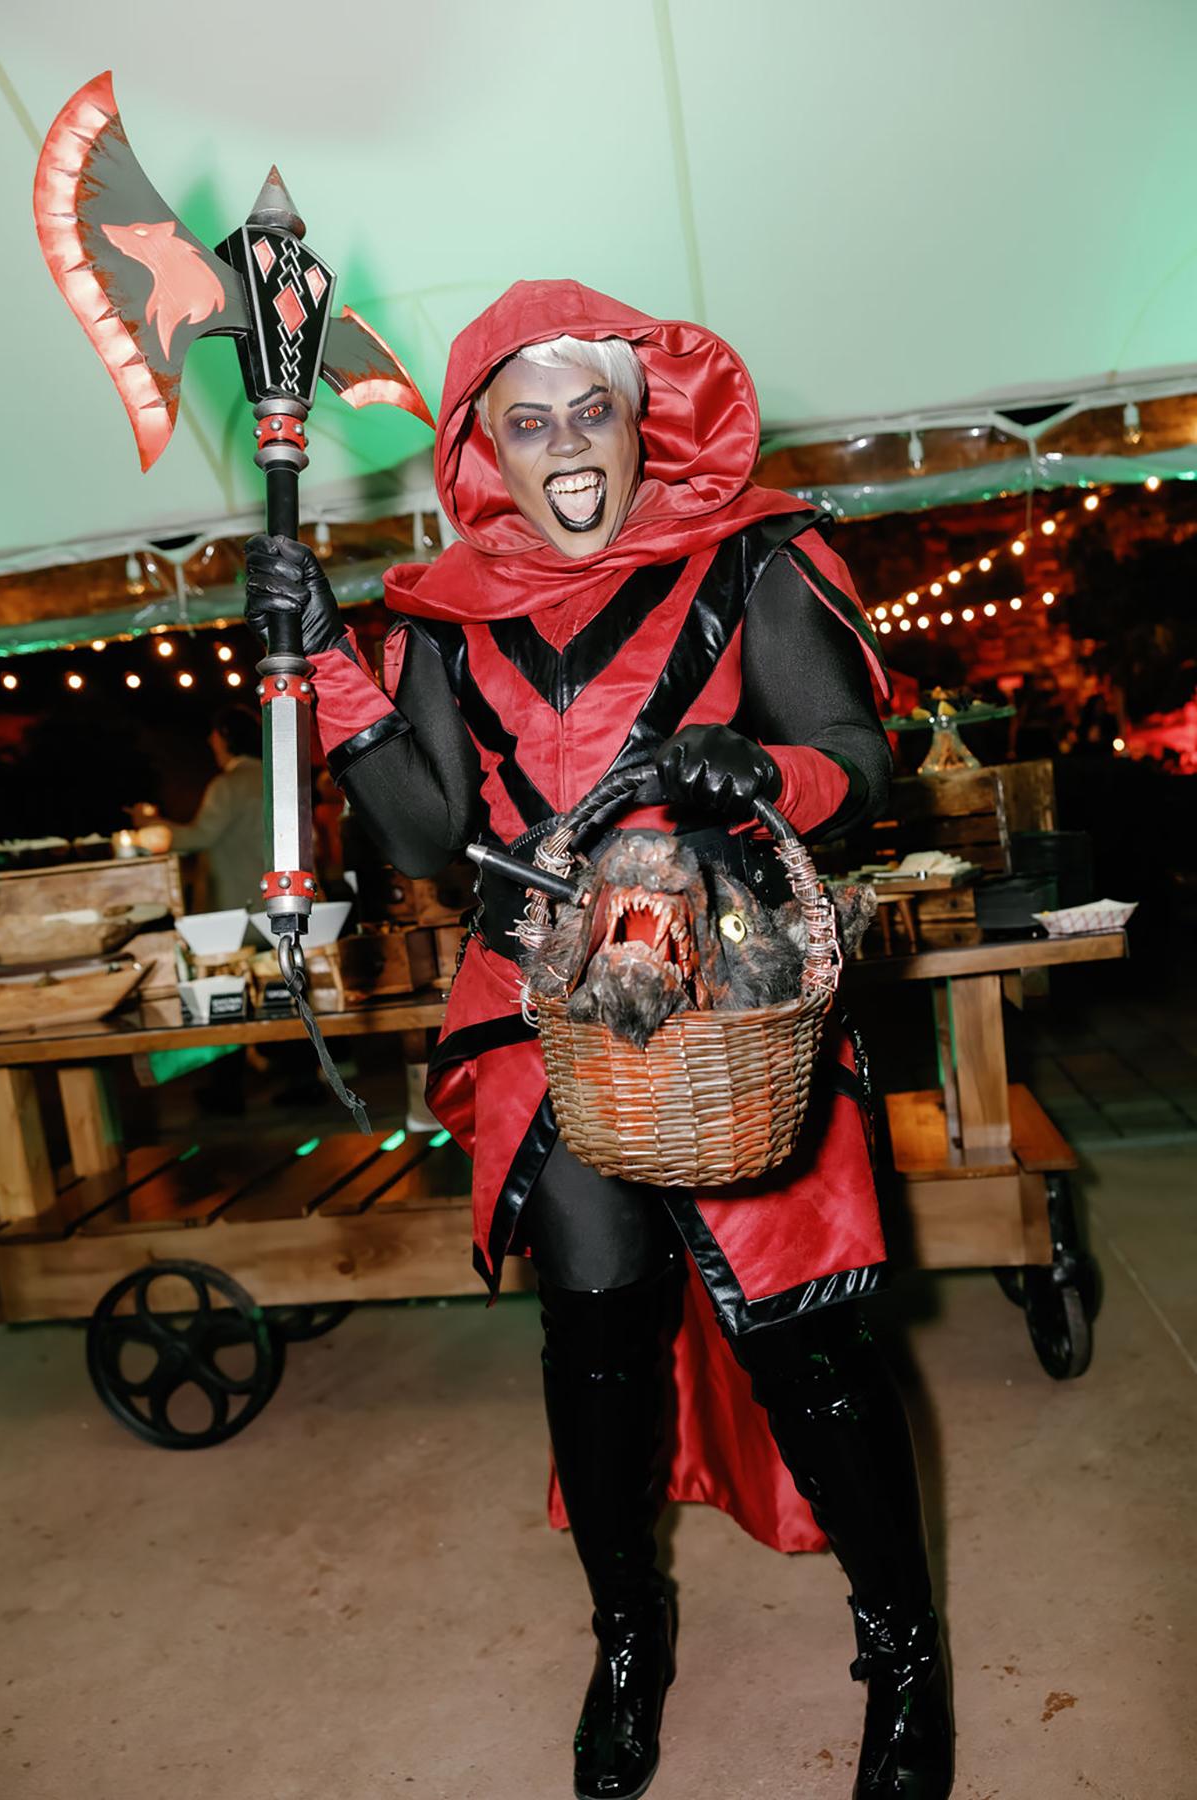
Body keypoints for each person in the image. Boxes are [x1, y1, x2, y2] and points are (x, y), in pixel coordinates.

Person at [245, 281, 954, 1800]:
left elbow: (858, 760)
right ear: (485, 446)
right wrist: (337, 667)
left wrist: (747, 762)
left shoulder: (753, 550)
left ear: (643, 422)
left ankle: (904, 1655)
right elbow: (437, 840)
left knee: (802, 1337)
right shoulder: (443, 616)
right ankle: (628, 1640)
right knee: (598, 1339)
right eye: (528, 420)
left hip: (733, 996)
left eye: (591, 412)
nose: (565, 447)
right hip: (541, 1018)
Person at [133, 705, 265, 910]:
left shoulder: (228, 784)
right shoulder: (275, 777)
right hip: (283, 896)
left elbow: (200, 836)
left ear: (225, 737)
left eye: (213, 735)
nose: (210, 741)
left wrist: (151, 826)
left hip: (245, 900)